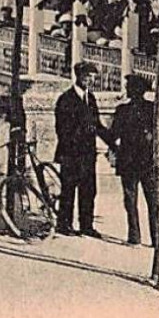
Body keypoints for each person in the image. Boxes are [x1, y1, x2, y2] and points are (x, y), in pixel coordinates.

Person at [55, 60, 112, 238]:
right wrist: (81, 134)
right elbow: (62, 130)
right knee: (69, 189)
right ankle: (64, 225)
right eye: (87, 77)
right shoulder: (66, 99)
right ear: (78, 76)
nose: (90, 81)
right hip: (71, 154)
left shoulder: (91, 98)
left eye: (92, 78)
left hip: (88, 154)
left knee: (89, 190)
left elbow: (97, 125)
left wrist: (112, 141)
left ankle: (86, 225)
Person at [108, 73, 159, 247]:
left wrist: (116, 150)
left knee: (140, 201)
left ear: (138, 90)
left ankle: (139, 237)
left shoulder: (144, 110)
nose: (127, 90)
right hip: (140, 161)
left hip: (140, 162)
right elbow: (114, 135)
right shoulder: (149, 109)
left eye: (130, 87)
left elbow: (113, 135)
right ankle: (150, 238)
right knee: (143, 201)